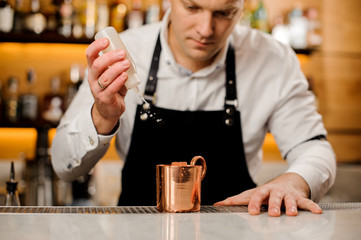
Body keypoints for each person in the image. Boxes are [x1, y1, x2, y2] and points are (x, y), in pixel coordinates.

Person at [51, 0, 336, 217]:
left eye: (224, 13)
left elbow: (315, 148)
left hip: (234, 231)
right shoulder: (125, 51)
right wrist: (102, 116)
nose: (206, 29)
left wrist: (295, 181)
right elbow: (63, 167)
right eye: (192, 6)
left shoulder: (272, 59)